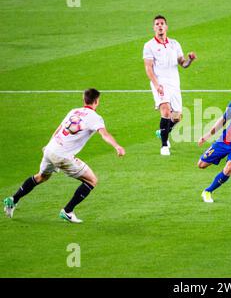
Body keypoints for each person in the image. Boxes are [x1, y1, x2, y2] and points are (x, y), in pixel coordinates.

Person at [3, 88, 126, 223]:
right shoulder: (95, 117)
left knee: (41, 176)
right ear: (97, 101)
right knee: (92, 180)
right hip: (63, 156)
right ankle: (67, 211)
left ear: (83, 99)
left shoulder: (73, 111)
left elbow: (58, 130)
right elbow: (105, 134)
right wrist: (117, 146)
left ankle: (13, 199)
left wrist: (48, 146)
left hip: (50, 149)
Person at [143, 15, 197, 156]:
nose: (160, 26)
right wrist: (156, 85)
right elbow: (148, 68)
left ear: (166, 27)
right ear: (154, 28)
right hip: (160, 83)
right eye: (157, 24)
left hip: (174, 84)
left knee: (177, 117)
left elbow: (182, 63)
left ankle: (162, 132)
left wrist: (190, 60)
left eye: (162, 23)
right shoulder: (149, 46)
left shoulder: (175, 44)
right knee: (166, 111)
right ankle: (164, 145)